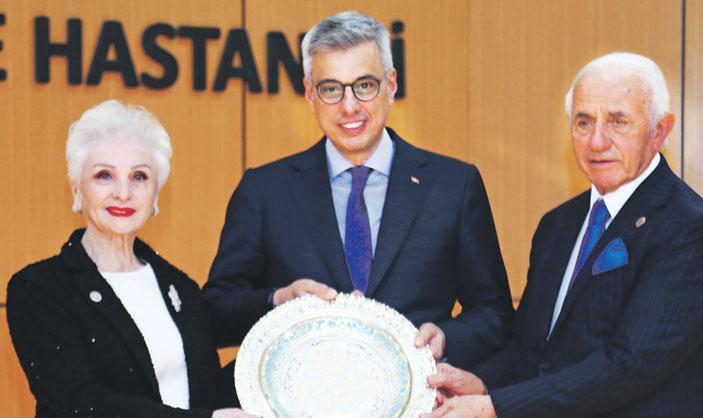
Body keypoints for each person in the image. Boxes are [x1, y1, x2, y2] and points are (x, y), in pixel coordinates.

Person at [422, 52, 703, 418]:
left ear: (659, 131)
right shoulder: (557, 225)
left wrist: (495, 407)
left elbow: (629, 367)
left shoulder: (691, 230)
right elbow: (533, 350)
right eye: (584, 122)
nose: (597, 142)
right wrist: (481, 382)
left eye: (618, 121)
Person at [204, 11, 513, 367]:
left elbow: (495, 314)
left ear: (391, 85)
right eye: (331, 89)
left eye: (364, 85)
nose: (349, 107)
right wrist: (278, 300)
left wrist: (446, 338)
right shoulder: (265, 191)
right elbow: (213, 314)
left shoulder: (454, 186)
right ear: (310, 94)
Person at [6, 100, 256, 418]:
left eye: (139, 177)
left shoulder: (181, 288)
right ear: (77, 190)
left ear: (156, 194)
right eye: (104, 175)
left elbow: (205, 392)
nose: (123, 193)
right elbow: (79, 402)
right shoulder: (39, 289)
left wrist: (280, 360)